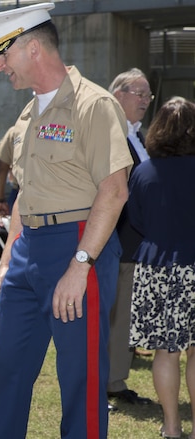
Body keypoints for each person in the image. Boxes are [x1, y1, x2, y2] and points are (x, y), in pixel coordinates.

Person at [0, 3, 133, 438]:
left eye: (4, 55)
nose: (0, 66)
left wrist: (80, 265)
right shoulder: (28, 113)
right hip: (28, 249)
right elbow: (27, 191)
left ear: (34, 48)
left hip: (79, 243)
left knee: (80, 376)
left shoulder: (93, 104)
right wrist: (7, 260)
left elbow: (114, 190)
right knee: (4, 367)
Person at [127, 97, 195, 439]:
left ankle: (171, 426)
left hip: (156, 268)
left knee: (165, 352)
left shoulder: (142, 171)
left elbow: (136, 220)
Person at [105, 67, 154, 408]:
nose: (146, 101)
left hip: (136, 241)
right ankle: (109, 381)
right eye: (139, 94)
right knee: (117, 314)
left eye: (148, 96)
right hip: (117, 239)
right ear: (118, 94)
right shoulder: (110, 134)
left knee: (124, 315)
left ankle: (115, 378)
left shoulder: (137, 135)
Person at [0, 126, 19, 217]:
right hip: (55, 193)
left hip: (20, 193)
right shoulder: (58, 126)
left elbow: (2, 168)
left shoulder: (15, 131)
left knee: (16, 230)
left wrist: (0, 199)